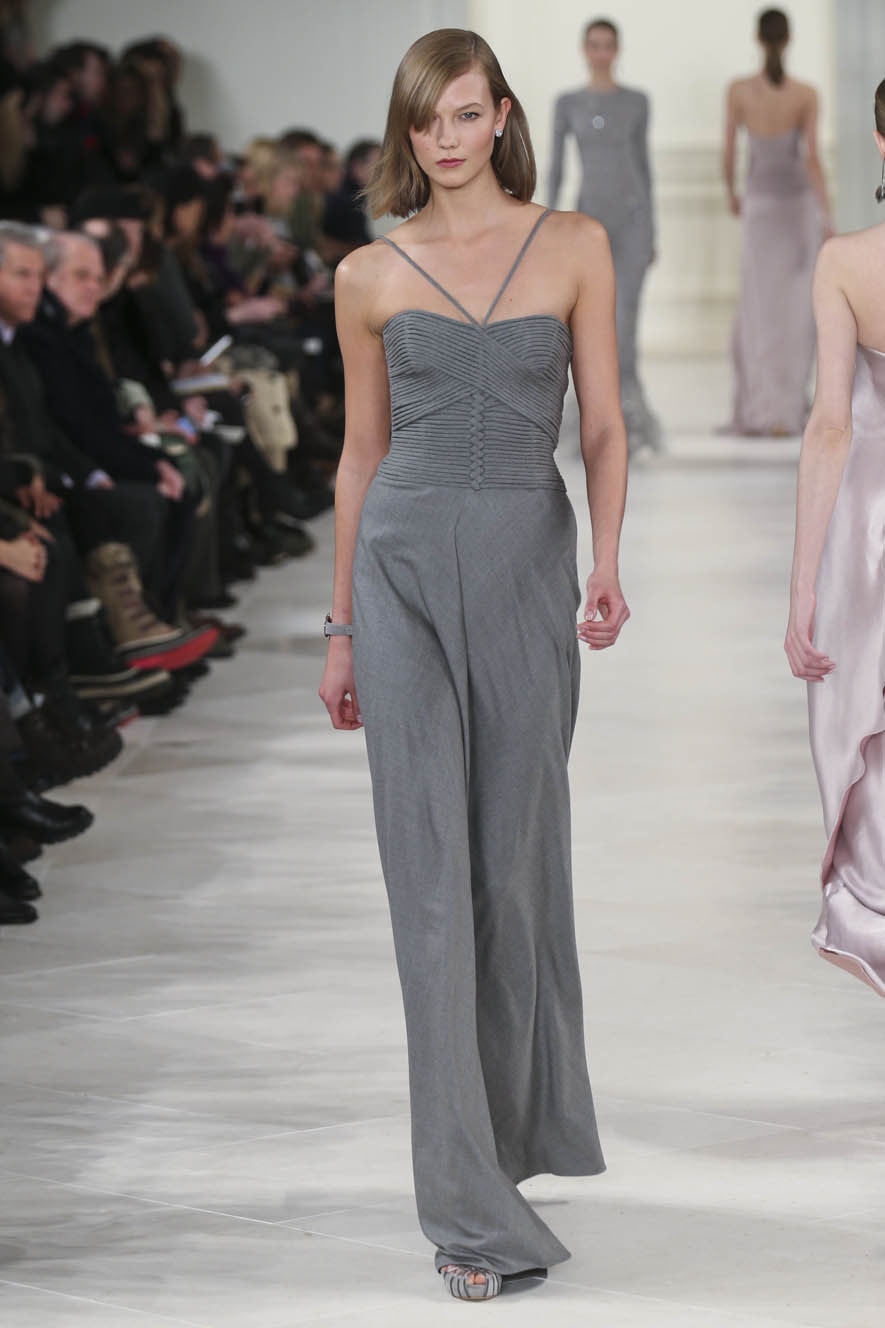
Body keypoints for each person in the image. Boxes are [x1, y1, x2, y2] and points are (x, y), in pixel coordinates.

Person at [319, 27, 629, 1301]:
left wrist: (609, 560)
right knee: (431, 888)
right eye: (422, 120)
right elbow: (359, 455)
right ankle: (464, 1209)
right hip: (399, 575)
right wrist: (340, 624)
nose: (443, 139)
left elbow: (602, 424)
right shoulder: (367, 273)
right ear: (406, 134)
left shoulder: (575, 245)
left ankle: (505, 1141)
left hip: (525, 568)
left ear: (501, 113)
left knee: (513, 873)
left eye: (461, 113)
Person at [785, 79, 885, 996]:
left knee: (867, 719)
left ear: (880, 142)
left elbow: (829, 425)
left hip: (869, 520)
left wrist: (802, 588)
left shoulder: (847, 261)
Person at [549, 17, 660, 454]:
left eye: (607, 45)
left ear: (617, 49)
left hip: (632, 223)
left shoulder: (637, 102)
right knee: (588, 323)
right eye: (593, 44)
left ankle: (629, 422)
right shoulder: (568, 103)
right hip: (588, 223)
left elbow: (644, 168)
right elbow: (556, 168)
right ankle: (589, 421)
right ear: (584, 49)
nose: (600, 52)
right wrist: (548, 226)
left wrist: (652, 231)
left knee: (626, 321)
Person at [723, 8, 832, 436]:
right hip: (796, 209)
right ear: (788, 40)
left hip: (761, 208)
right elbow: (812, 160)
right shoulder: (805, 94)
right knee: (796, 311)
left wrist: (732, 193)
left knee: (758, 308)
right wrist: (828, 215)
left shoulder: (738, 91)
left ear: (758, 38)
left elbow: (729, 153)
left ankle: (760, 407)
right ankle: (787, 407)